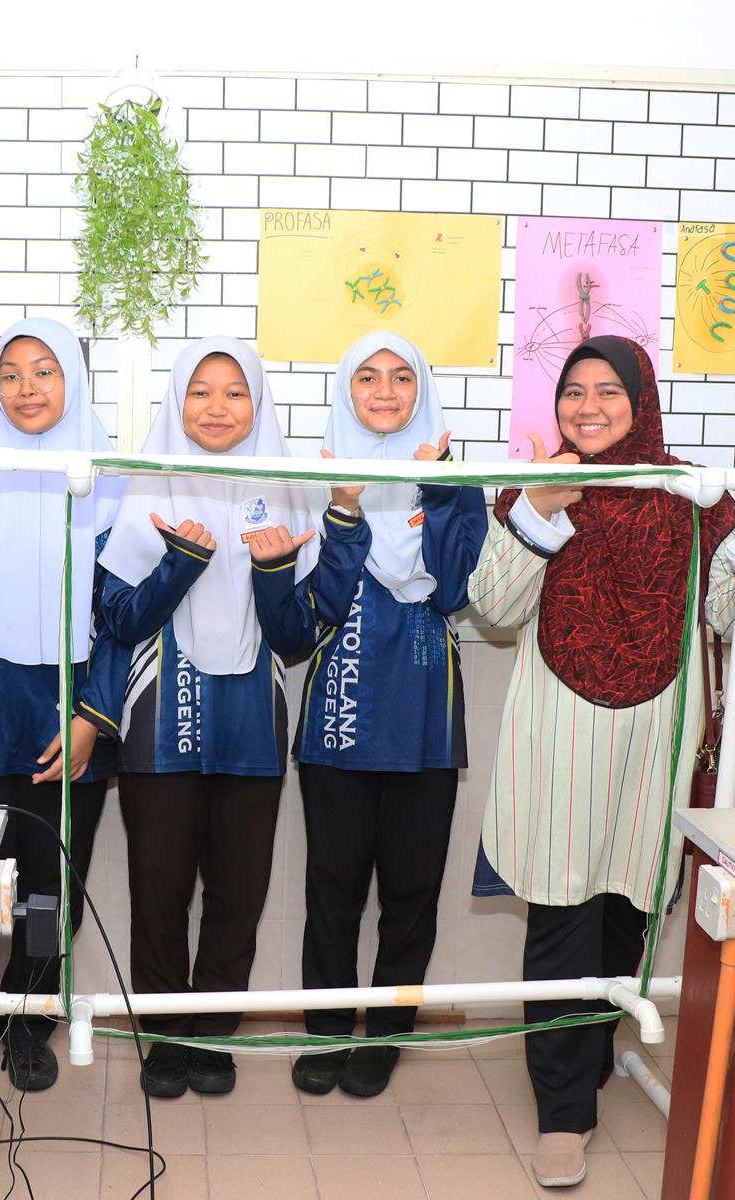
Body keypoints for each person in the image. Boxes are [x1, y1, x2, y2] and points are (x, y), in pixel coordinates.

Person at [466, 335, 735, 1188]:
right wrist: (540, 509)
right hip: (560, 734)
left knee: (629, 912)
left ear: (641, 400)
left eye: (608, 390)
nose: (588, 408)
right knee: (562, 914)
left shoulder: (693, 495)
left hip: (658, 737)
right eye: (573, 391)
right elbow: (493, 606)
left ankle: (592, 1051)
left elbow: (734, 618)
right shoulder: (537, 485)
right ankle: (562, 1111)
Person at [99, 336, 355, 1100]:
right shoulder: (147, 484)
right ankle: (165, 1038)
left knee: (238, 895)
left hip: (251, 722)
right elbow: (119, 619)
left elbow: (297, 637)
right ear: (177, 401)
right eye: (201, 391)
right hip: (157, 720)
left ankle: (212, 1038)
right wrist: (180, 562)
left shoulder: (285, 487)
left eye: (235, 392)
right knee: (158, 893)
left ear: (258, 402)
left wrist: (275, 571)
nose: (217, 407)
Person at [0, 317, 126, 1093]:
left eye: (45, 370)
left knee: (48, 890)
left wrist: (92, 718)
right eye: (10, 373)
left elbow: (123, 612)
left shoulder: (108, 471)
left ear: (73, 378)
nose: (26, 388)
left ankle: (27, 1026)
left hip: (69, 710)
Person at [287, 332, 488, 1099]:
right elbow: (314, 605)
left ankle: (386, 1037)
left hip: (425, 710)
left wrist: (437, 488)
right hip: (339, 710)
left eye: (402, 378)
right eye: (367, 377)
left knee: (411, 894)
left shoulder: (456, 477)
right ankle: (327, 1033)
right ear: (346, 390)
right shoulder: (317, 473)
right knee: (332, 890)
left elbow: (456, 589)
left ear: (421, 391)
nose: (384, 391)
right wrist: (343, 509)